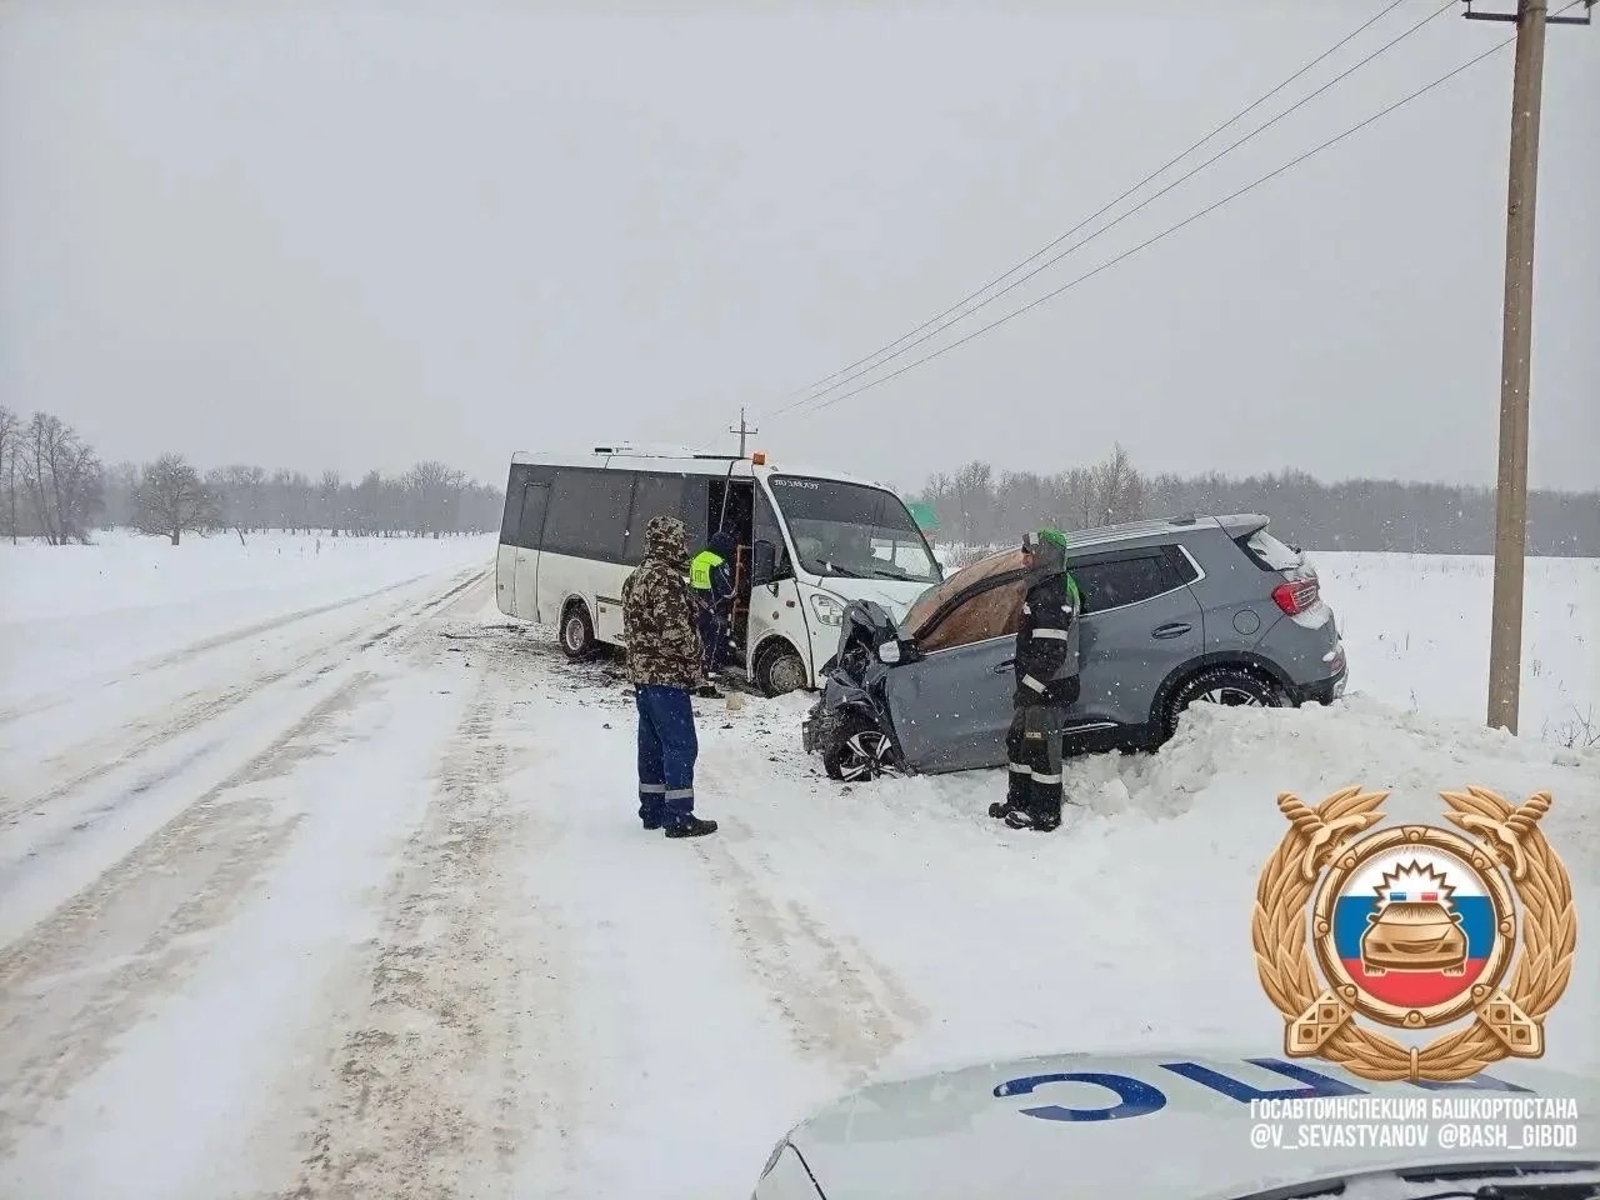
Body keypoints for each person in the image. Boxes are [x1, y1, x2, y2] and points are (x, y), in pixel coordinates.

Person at [621, 515, 719, 839]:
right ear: (670, 542)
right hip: (667, 676)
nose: (684, 545)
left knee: (650, 744)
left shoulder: (636, 577)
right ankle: (679, 816)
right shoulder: (665, 579)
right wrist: (698, 656)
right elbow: (674, 629)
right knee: (680, 745)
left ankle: (652, 811)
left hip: (643, 676)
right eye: (680, 539)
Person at [989, 529, 1082, 832]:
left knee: (1041, 749)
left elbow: (1052, 654)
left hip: (1048, 688)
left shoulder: (1053, 593)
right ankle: (1019, 801)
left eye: (1029, 552)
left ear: (1045, 555)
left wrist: (1031, 687)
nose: (1024, 558)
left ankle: (1045, 813)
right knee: (1019, 742)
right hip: (1035, 688)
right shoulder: (1043, 587)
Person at [688, 528, 737, 696]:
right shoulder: (718, 562)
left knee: (698, 646)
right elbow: (727, 590)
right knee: (714, 647)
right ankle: (708, 687)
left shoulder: (698, 558)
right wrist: (735, 592)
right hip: (713, 611)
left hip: (696, 609)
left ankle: (695, 682)